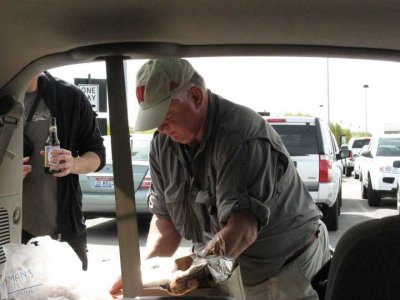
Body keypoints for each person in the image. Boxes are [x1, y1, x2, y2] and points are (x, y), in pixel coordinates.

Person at [110, 58, 331, 299]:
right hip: (223, 266)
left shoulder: (240, 137)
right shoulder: (163, 146)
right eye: (154, 119)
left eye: (166, 114)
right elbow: (165, 224)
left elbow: (241, 231)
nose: (161, 127)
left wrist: (183, 278)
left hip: (285, 267)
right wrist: (143, 274)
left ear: (196, 97)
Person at [22, 71, 106, 271]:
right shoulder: (4, 94)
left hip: (65, 233)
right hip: (10, 236)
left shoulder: (69, 96)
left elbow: (97, 154)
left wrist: (73, 164)